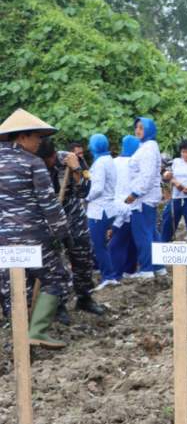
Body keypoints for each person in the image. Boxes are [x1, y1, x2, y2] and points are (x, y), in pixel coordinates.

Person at [0, 109, 72, 348]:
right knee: (56, 278)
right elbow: (49, 205)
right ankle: (37, 331)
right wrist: (63, 234)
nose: (40, 142)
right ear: (22, 137)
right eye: (37, 137)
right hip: (33, 237)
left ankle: (18, 339)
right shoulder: (33, 163)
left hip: (2, 240)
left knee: (14, 286)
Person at [36, 137, 104, 319]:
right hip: (49, 220)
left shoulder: (70, 159)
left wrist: (76, 169)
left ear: (53, 154)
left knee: (83, 257)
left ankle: (84, 297)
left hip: (73, 217)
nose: (47, 164)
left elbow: (85, 192)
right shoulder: (33, 164)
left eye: (49, 159)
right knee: (55, 264)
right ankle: (59, 305)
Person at [126, 117, 165, 279]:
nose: (138, 131)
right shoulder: (147, 146)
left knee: (143, 235)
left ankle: (147, 269)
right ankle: (158, 267)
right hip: (147, 197)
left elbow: (147, 176)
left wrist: (135, 193)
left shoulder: (148, 149)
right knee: (151, 233)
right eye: (136, 128)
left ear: (149, 130)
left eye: (141, 128)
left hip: (143, 198)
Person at [86, 133, 119, 290]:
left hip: (99, 210)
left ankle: (108, 276)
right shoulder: (108, 160)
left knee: (98, 245)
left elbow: (97, 189)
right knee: (102, 245)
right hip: (109, 207)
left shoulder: (100, 162)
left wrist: (86, 197)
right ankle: (109, 274)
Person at [109, 135, 140, 278]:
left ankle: (116, 274)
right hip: (135, 205)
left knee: (117, 243)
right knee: (132, 239)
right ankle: (130, 269)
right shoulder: (137, 163)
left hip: (117, 206)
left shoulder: (113, 162)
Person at [160, 139, 187, 243]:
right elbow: (166, 175)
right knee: (168, 220)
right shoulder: (176, 162)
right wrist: (175, 182)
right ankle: (163, 244)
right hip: (176, 197)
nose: (185, 155)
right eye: (183, 152)